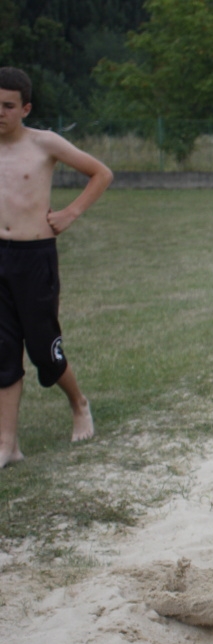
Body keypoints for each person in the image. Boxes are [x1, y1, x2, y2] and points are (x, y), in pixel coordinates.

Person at [0, 67, 112, 467]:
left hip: (35, 258)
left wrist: (71, 213)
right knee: (3, 350)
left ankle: (79, 403)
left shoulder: (44, 143)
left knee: (44, 351)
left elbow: (101, 173)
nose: (0, 112)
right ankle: (8, 445)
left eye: (8, 106)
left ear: (25, 108)